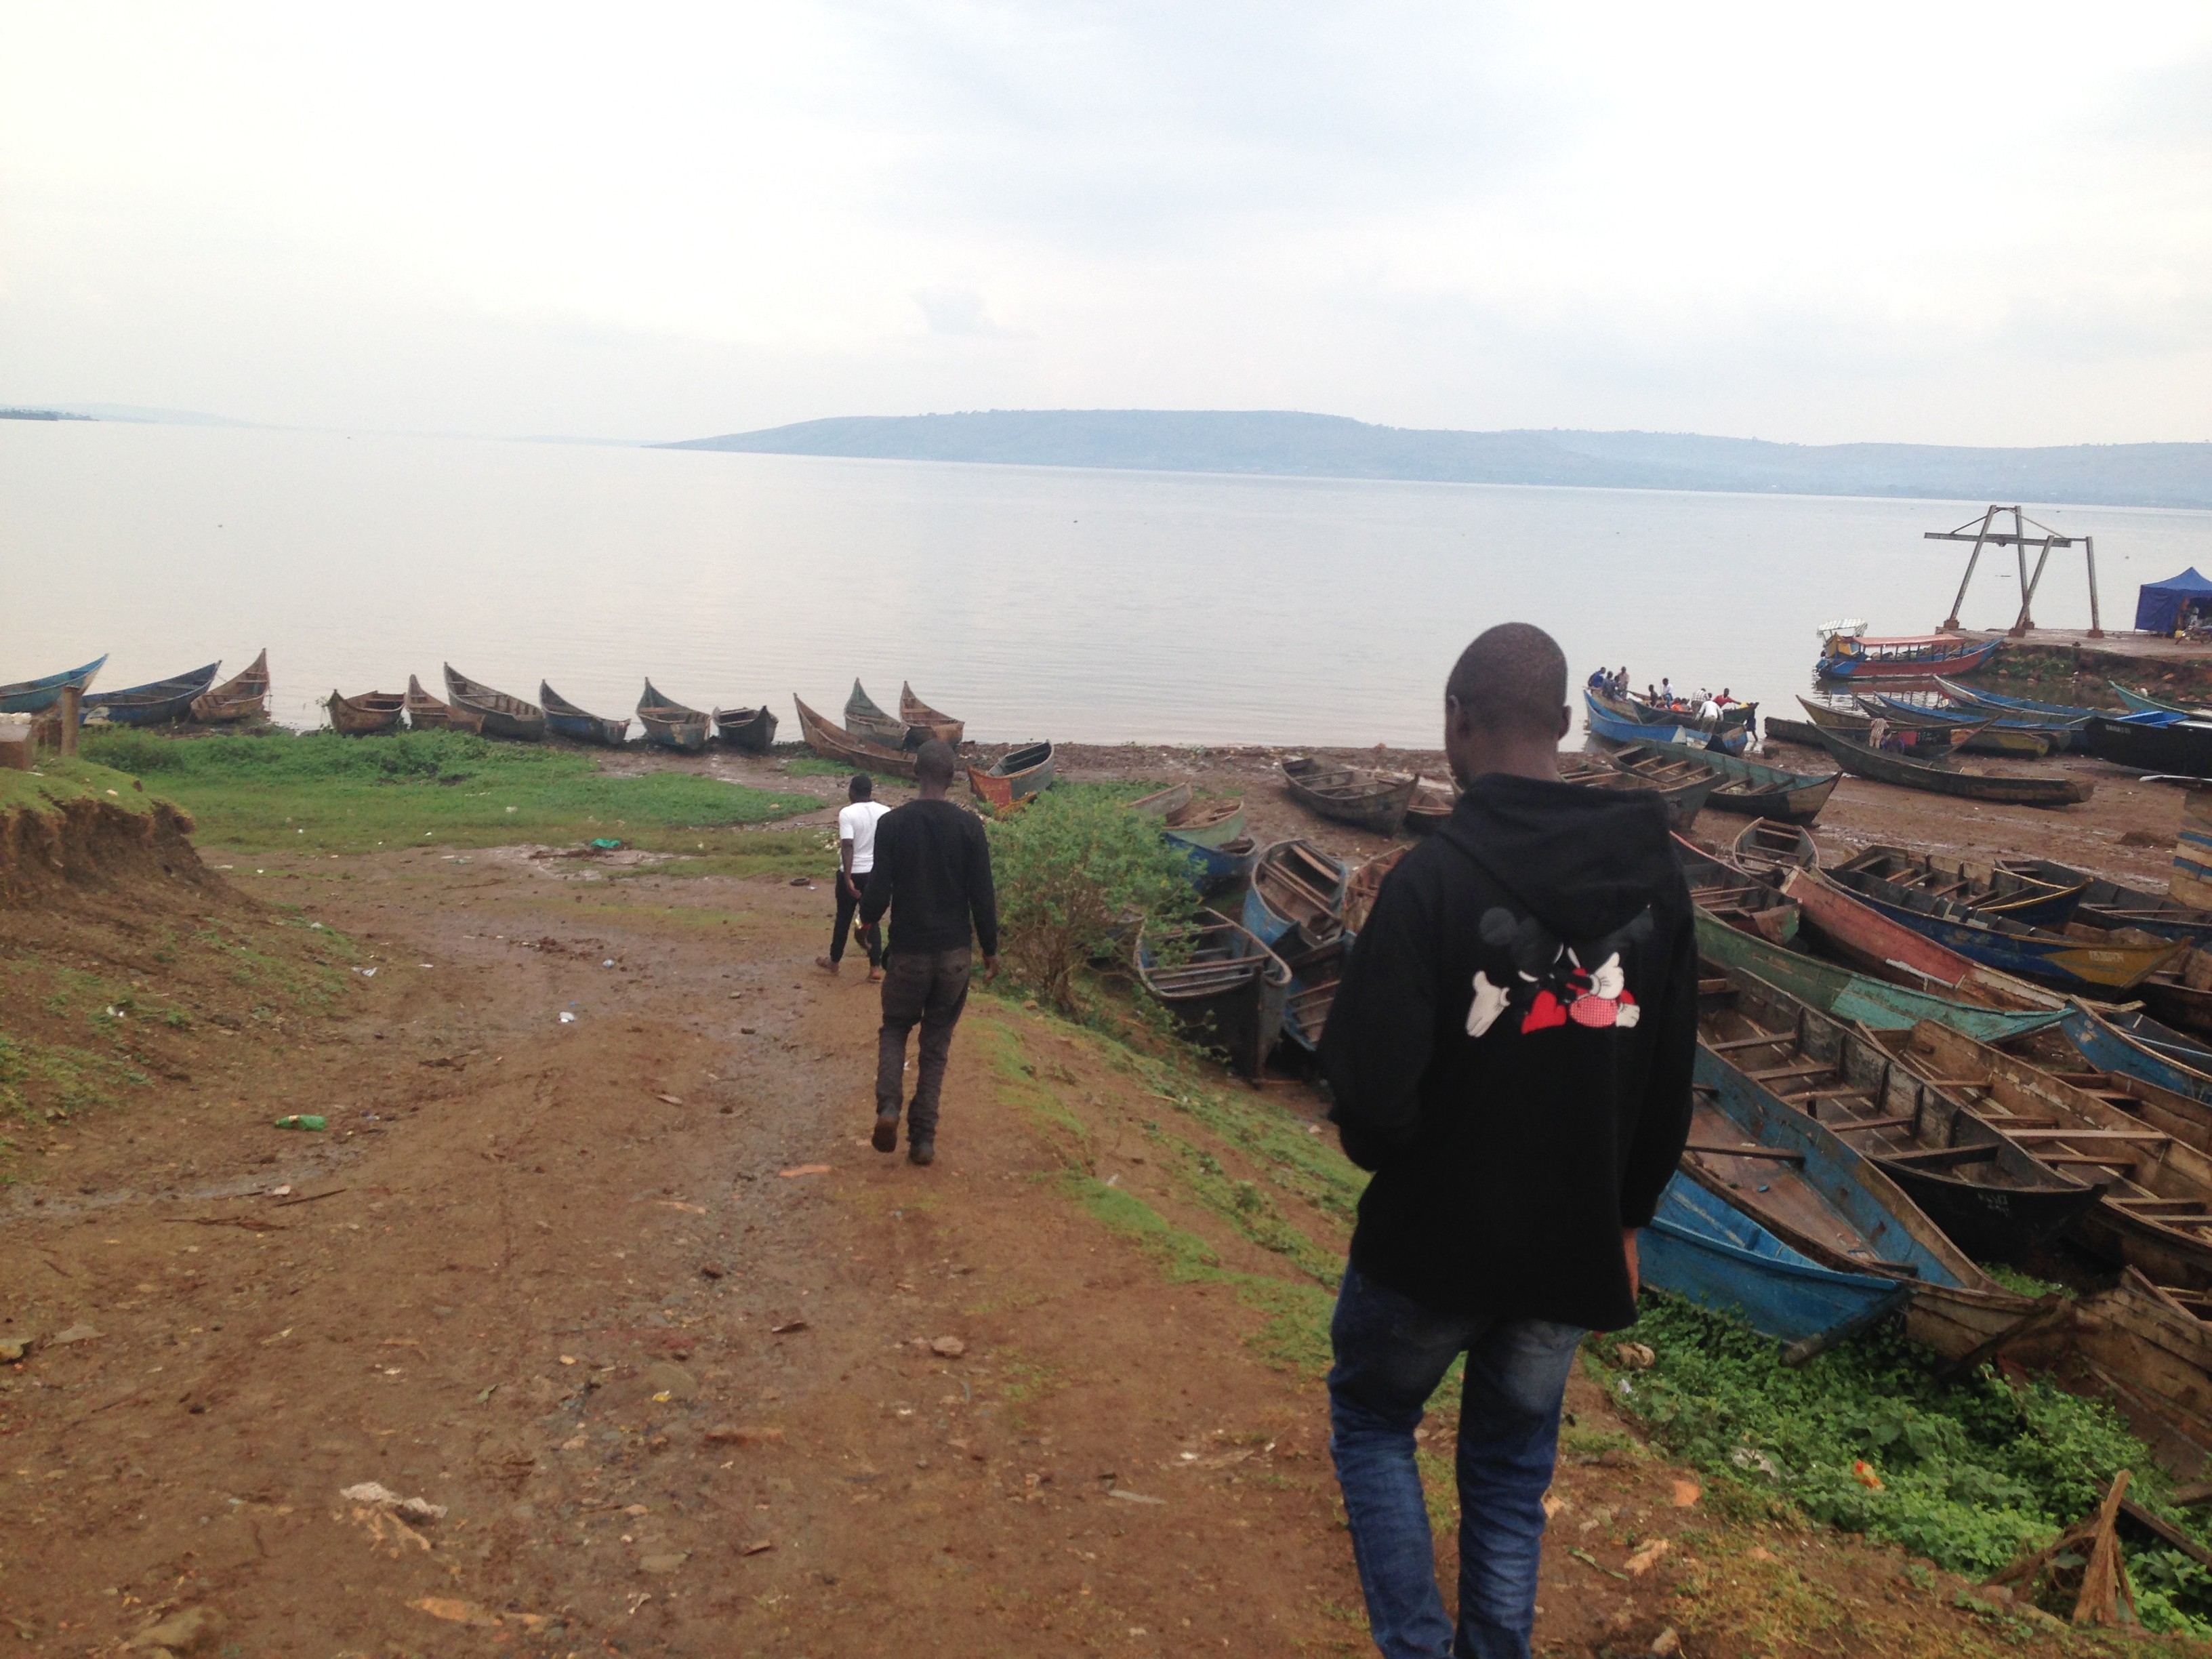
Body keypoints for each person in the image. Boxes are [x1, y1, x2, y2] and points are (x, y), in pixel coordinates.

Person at [1319, 621, 1696, 1659]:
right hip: (1570, 1252)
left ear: (1456, 721)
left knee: (1372, 1422)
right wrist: (1629, 1219)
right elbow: (1670, 1079)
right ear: (1566, 723)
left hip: (1430, 1246)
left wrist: (1409, 1155)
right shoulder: (1657, 880)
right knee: (1509, 1471)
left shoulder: (1430, 880)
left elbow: (1372, 1106)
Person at [856, 739, 1000, 1167]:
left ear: (915, 772)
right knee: (935, 1045)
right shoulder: (970, 827)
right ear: (952, 778)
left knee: (895, 1028)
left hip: (908, 953)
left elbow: (879, 888)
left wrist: (866, 922)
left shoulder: (894, 824)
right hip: (954, 956)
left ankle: (888, 1107)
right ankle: (922, 1140)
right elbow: (983, 896)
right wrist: (990, 950)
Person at [817, 773, 890, 980]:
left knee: (844, 917)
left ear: (853, 792)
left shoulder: (847, 813)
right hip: (874, 874)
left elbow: (848, 845)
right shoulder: (885, 812)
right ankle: (875, 968)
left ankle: (834, 961)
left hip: (853, 871)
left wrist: (848, 877)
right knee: (871, 919)